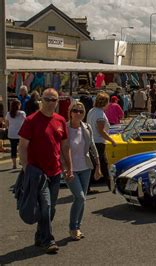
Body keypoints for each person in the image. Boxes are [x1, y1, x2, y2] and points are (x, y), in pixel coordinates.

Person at [18, 88, 73, 254]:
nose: (50, 103)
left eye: (54, 100)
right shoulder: (31, 120)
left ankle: (40, 234)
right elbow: (22, 147)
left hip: (55, 171)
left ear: (57, 102)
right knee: (46, 205)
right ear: (41, 100)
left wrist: (69, 167)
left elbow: (64, 146)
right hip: (37, 172)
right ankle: (48, 240)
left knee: (52, 207)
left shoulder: (60, 120)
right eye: (47, 99)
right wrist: (27, 168)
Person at [64, 101, 100, 241]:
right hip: (70, 169)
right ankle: (73, 228)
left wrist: (98, 164)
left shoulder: (87, 127)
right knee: (79, 197)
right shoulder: (65, 128)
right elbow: (60, 149)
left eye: (81, 111)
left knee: (82, 199)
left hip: (85, 168)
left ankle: (77, 227)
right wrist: (65, 168)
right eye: (75, 110)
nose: (78, 113)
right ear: (70, 112)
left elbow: (91, 146)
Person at [86, 92, 116, 190]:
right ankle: (110, 186)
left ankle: (88, 187)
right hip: (98, 142)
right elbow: (101, 131)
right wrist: (112, 140)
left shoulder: (91, 111)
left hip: (92, 141)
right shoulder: (100, 113)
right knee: (103, 164)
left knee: (94, 165)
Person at [6, 99, 26, 169]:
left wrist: (11, 128)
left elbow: (7, 124)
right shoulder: (22, 113)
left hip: (11, 134)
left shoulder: (8, 114)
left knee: (13, 149)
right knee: (21, 148)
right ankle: (21, 160)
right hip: (20, 134)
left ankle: (14, 165)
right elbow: (26, 123)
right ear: (18, 106)